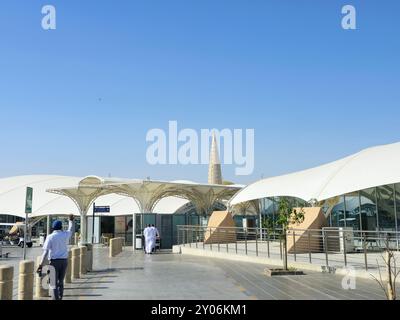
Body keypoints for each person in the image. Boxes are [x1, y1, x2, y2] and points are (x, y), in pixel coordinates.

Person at [37, 215, 74, 300]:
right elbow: (70, 229)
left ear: (53, 228)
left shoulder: (50, 237)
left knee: (53, 283)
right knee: (60, 281)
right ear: (61, 227)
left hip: (54, 262)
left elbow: (45, 252)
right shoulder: (65, 235)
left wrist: (40, 265)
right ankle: (60, 297)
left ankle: (56, 298)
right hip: (64, 262)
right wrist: (70, 221)